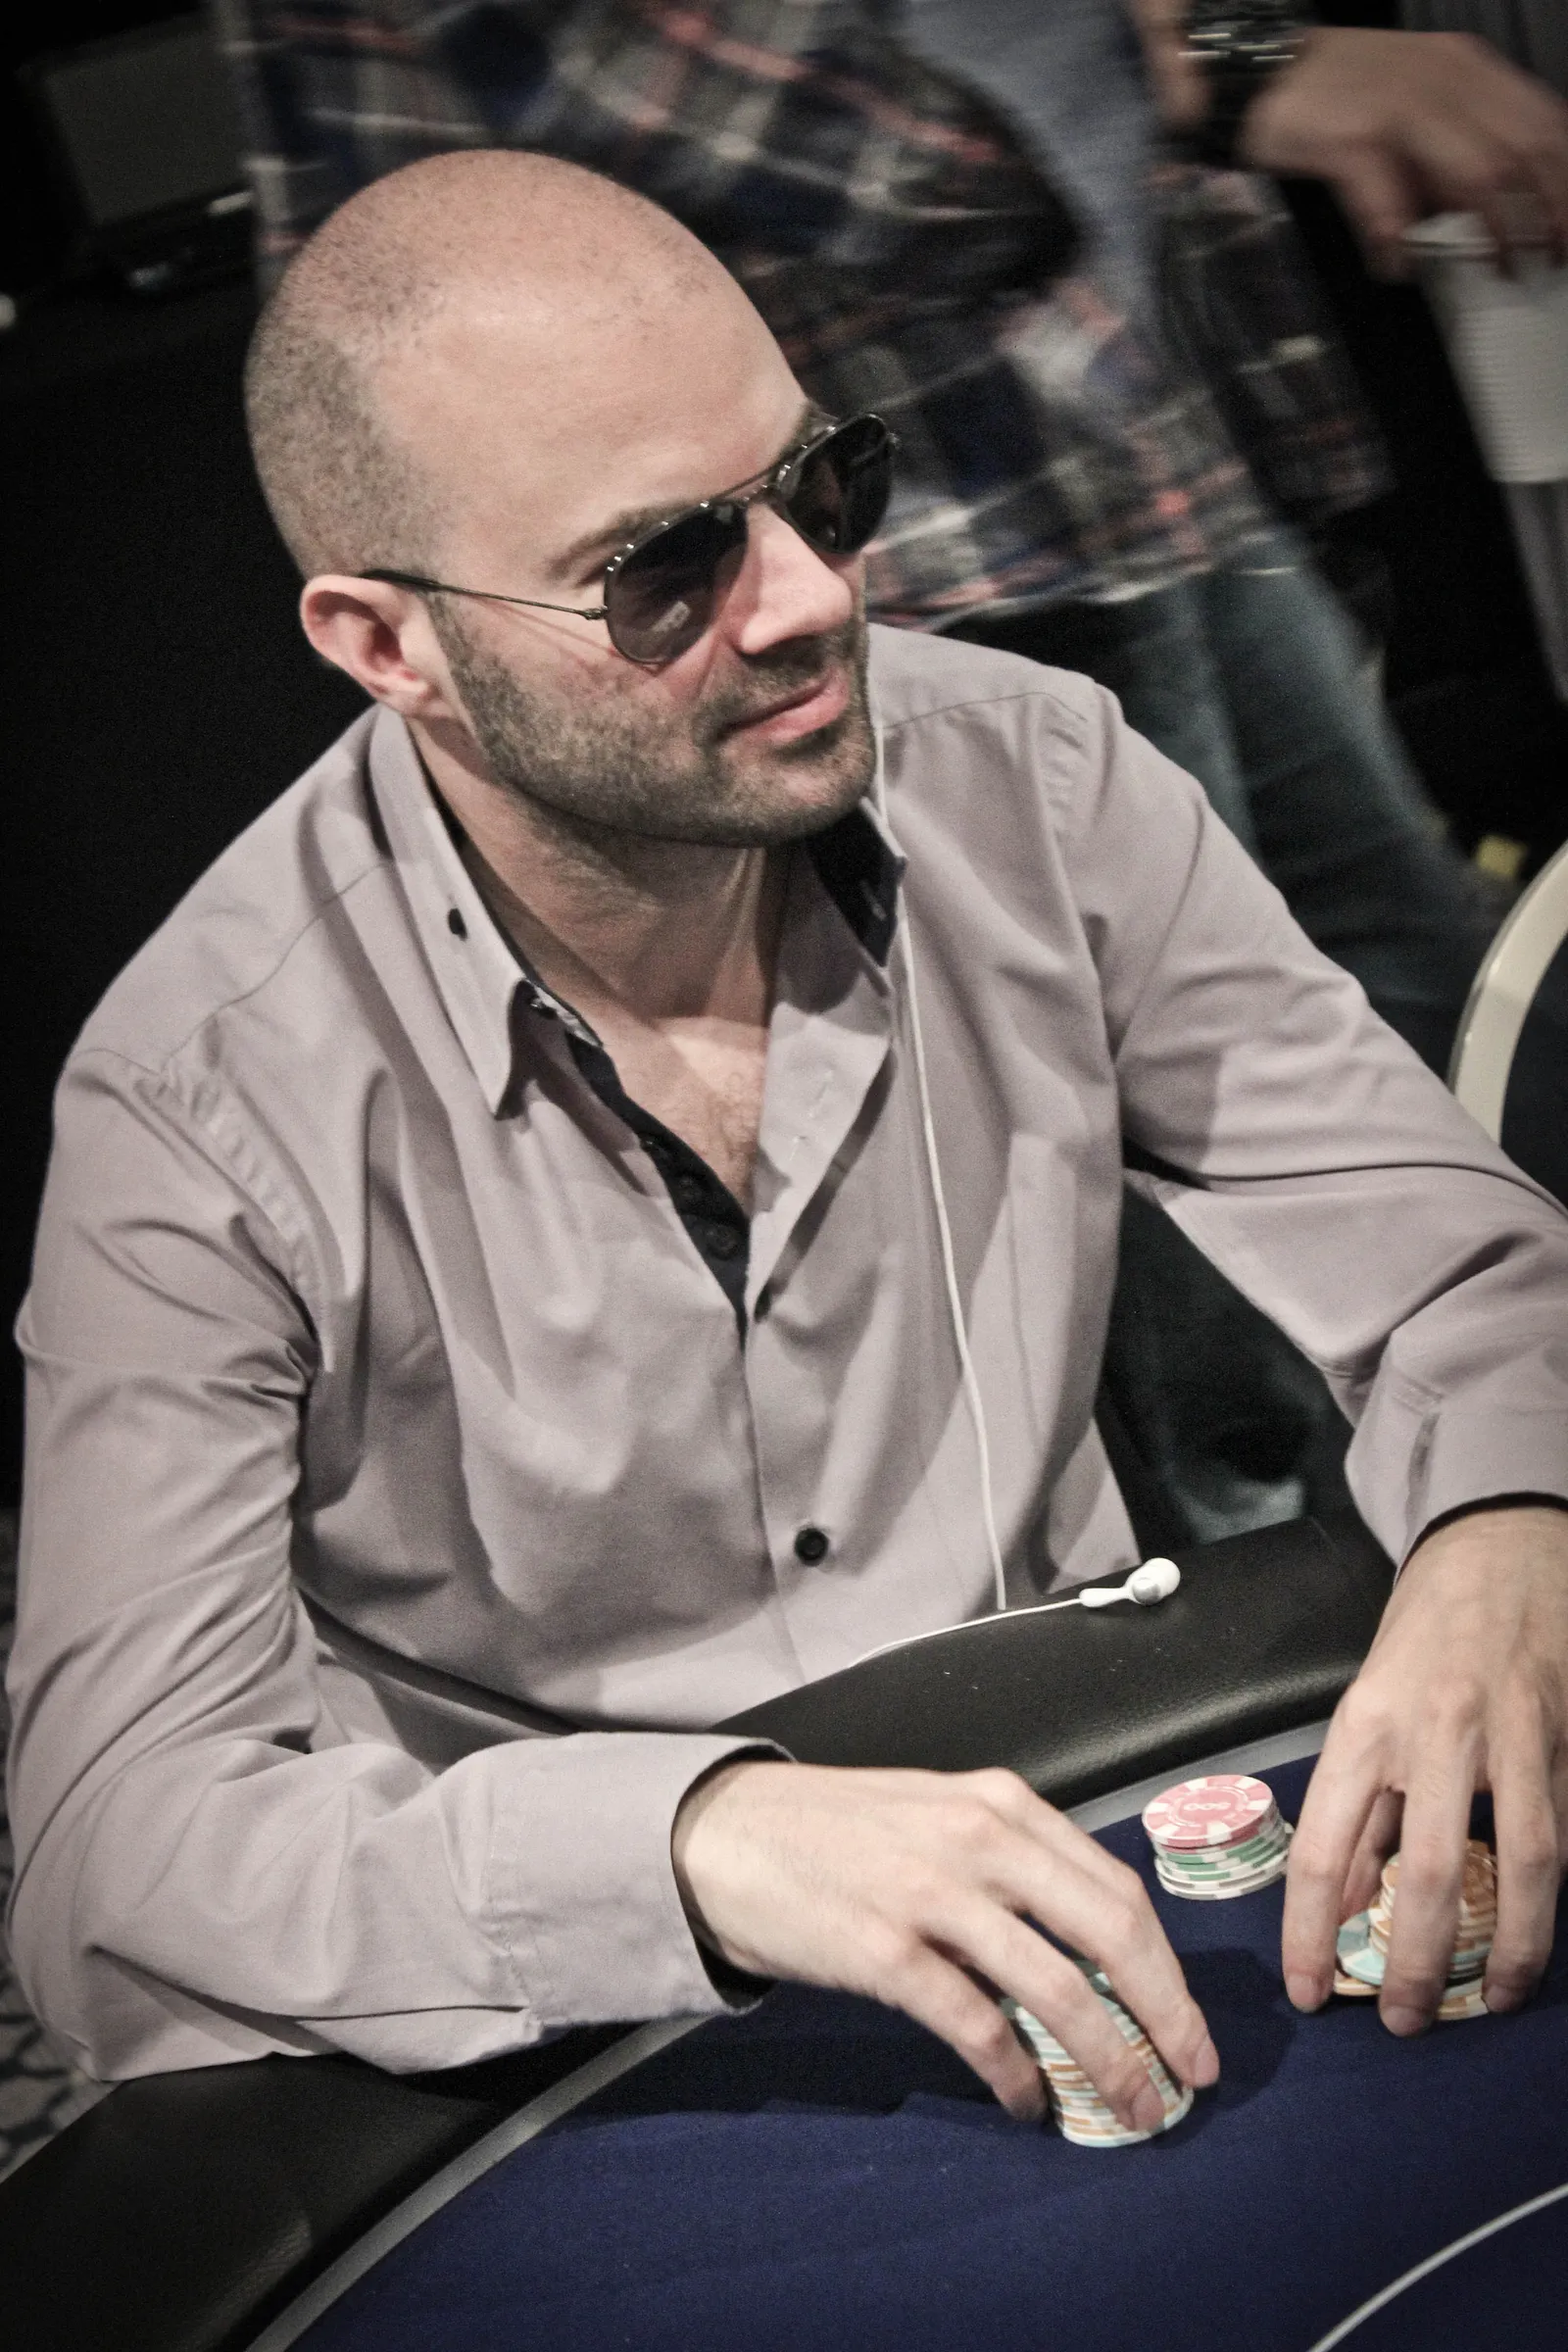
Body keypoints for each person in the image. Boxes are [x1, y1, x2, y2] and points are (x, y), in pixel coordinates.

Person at [10, 155, 1568, 2138]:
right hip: (568, 2034)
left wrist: (1510, 1518)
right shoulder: (195, 1102)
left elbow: (1462, 1271)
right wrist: (700, 1840)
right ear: (387, 645)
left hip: (1095, 1836)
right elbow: (113, 1850)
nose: (815, 596)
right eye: (663, 569)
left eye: (823, 485)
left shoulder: (1038, 778)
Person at [213, 0, 1568, 1539]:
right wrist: (1217, 73)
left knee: (1429, 1039)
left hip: (1094, 445)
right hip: (946, 540)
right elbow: (761, 112)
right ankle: (1260, 1643)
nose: (799, 589)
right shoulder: (200, 1066)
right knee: (1179, 1324)